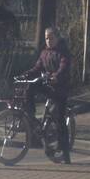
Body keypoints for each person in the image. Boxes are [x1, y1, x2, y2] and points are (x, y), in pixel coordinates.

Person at [22, 27, 71, 164]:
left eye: (51, 38)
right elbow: (38, 68)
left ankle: (65, 151)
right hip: (48, 85)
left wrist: (57, 76)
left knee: (60, 119)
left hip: (60, 88)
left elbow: (64, 67)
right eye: (46, 38)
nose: (48, 40)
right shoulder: (44, 53)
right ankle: (30, 114)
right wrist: (27, 74)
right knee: (29, 86)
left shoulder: (63, 52)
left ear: (57, 38)